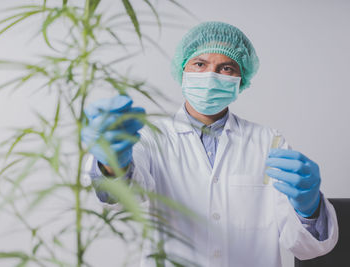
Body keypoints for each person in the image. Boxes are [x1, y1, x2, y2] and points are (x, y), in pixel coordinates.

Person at [82, 21, 338, 267]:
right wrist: (112, 164)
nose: (211, 76)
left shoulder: (269, 142)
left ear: (241, 78)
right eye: (200, 64)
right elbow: (121, 198)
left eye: (226, 68)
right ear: (183, 69)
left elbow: (307, 248)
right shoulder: (150, 137)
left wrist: (309, 208)